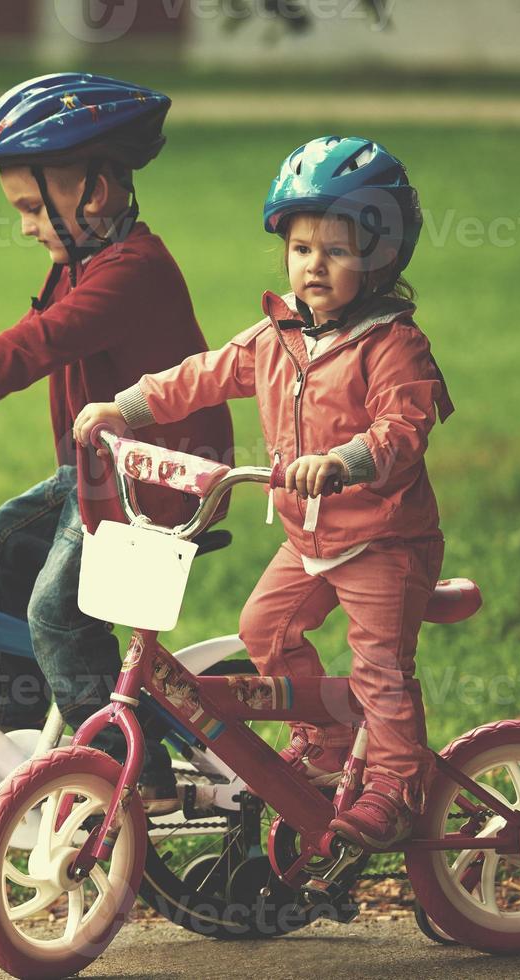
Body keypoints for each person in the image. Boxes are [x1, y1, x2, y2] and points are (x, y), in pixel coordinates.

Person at [0, 73, 233, 812]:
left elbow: (32, 347)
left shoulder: (130, 272)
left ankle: (133, 773)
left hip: (156, 483)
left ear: (93, 194)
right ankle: (20, 726)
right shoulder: (82, 261)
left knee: (57, 614)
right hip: (97, 474)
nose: (25, 224)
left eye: (32, 206)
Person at [74, 135, 454, 847]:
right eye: (302, 248)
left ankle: (396, 789)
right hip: (308, 536)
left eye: (336, 251)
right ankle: (323, 743)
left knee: (378, 668)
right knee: (263, 631)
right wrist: (122, 408)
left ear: (380, 259)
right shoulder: (277, 336)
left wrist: (346, 459)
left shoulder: (392, 344)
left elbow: (404, 427)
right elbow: (203, 374)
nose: (314, 265)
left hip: (382, 539)